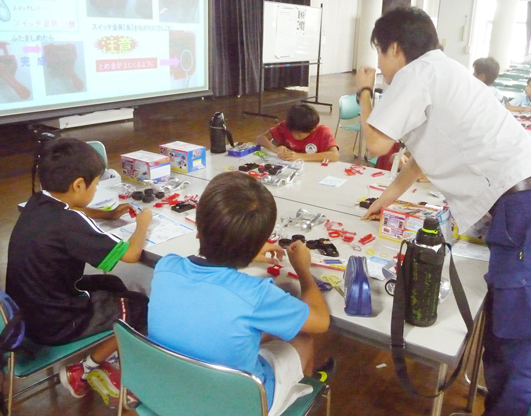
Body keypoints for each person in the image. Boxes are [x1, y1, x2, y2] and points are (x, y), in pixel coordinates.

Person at [355, 7, 531, 416]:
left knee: (513, 342)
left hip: (527, 212)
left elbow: (376, 145)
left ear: (396, 48)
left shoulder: (415, 74)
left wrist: (364, 91)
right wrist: (386, 198)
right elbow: (419, 157)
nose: (380, 66)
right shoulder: (443, 72)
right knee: (510, 334)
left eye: (380, 55)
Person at [148, 172, 332, 416]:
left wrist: (242, 249)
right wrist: (303, 270)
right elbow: (320, 322)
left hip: (166, 393)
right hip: (236, 407)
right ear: (257, 245)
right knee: (303, 337)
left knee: (244, 329)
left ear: (198, 227)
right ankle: (297, 394)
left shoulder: (166, 267)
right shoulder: (255, 296)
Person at [6, 138, 152, 409]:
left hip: (28, 311)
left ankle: (108, 352)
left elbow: (76, 209)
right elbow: (131, 255)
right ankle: (85, 369)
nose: (96, 189)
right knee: (143, 308)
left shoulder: (37, 203)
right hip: (58, 322)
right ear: (78, 185)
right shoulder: (68, 223)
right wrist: (143, 223)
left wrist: (105, 214)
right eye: (96, 184)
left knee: (112, 283)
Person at [256, 103, 340, 162]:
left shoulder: (322, 131)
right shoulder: (285, 126)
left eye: (300, 134)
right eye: (295, 133)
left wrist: (300, 156)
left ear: (313, 129)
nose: (297, 136)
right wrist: (274, 148)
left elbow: (334, 155)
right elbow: (260, 138)